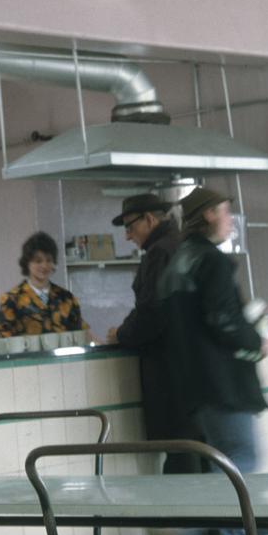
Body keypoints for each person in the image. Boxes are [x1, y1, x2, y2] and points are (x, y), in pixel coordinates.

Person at [158, 187, 268, 535]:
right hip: (225, 383)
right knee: (242, 461)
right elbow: (223, 320)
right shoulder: (213, 262)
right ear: (208, 215)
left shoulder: (176, 263)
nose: (229, 219)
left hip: (191, 385)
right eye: (224, 211)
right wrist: (256, 341)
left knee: (222, 463)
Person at [105, 193, 199, 473]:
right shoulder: (186, 245)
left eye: (130, 227)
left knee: (182, 459)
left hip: (171, 371)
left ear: (150, 218)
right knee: (196, 453)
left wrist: (121, 334)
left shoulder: (160, 252)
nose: (127, 236)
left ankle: (183, 518)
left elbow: (153, 312)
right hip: (194, 372)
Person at [0, 231, 89, 338]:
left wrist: (106, 346)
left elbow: (83, 335)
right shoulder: (11, 300)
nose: (44, 265)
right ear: (27, 263)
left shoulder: (67, 298)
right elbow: (2, 342)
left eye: (49, 260)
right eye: (38, 261)